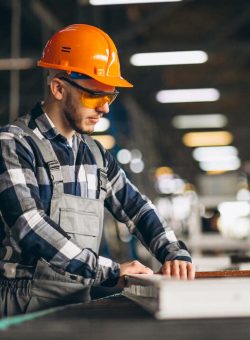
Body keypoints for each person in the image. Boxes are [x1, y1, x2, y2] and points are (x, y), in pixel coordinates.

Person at [0, 23, 194, 317]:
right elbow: (30, 226)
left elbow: (137, 208)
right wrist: (109, 271)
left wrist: (173, 252)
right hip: (21, 306)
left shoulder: (95, 156)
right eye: (95, 96)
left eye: (109, 96)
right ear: (58, 88)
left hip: (78, 302)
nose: (104, 108)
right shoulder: (14, 144)